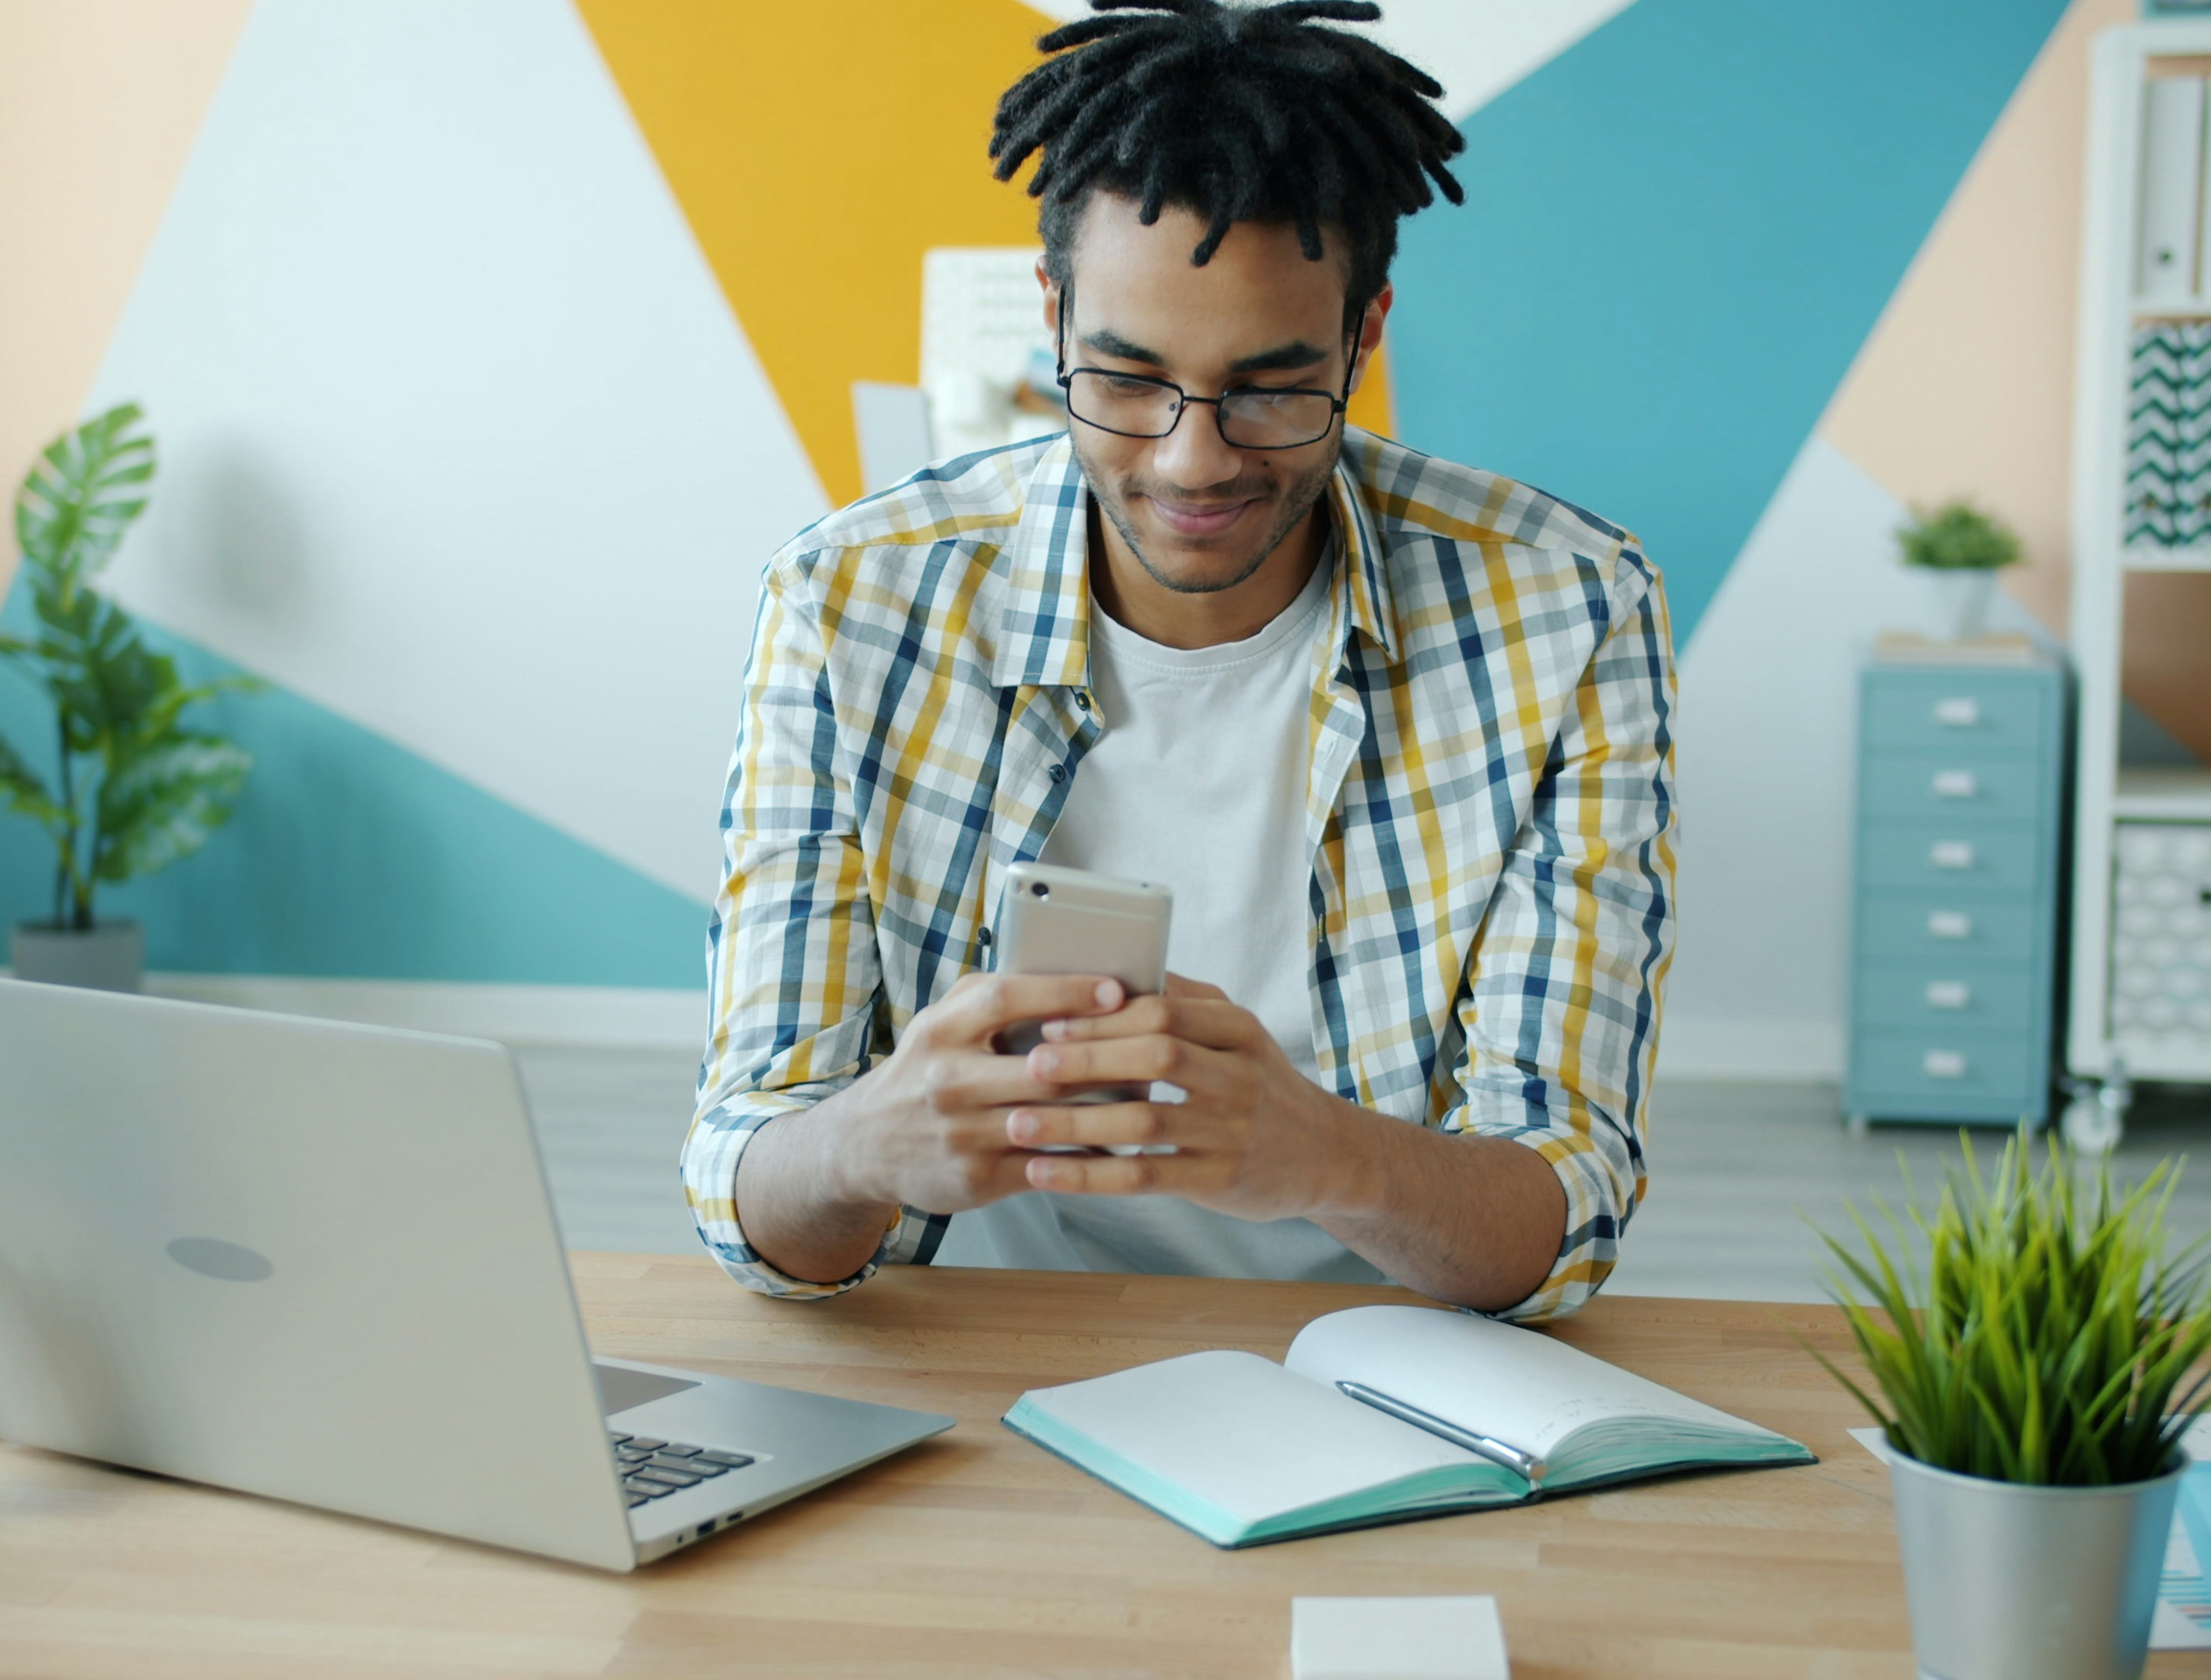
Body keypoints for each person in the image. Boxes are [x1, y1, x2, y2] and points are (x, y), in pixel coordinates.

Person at [683, 0, 1674, 1323]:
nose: (1191, 460)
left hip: (1382, 1362)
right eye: (1128, 379)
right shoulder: (852, 601)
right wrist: (867, 1142)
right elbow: (754, 1195)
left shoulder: (1566, 610)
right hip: (973, 1362)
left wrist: (1319, 1151)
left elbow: (1558, 1225)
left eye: (1270, 388)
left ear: (1364, 335)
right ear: (1054, 319)